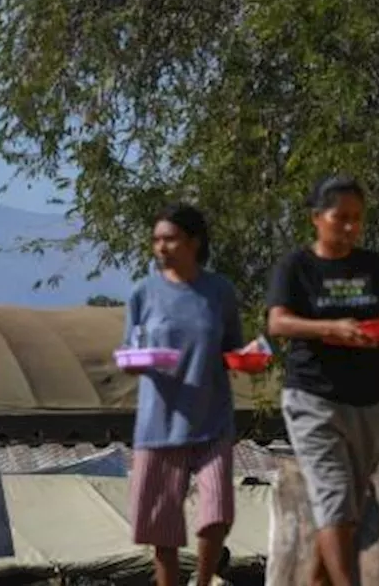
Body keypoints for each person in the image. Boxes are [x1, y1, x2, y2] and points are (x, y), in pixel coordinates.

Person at [266, 175, 379, 586]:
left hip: (366, 400)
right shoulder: (296, 267)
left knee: (350, 505)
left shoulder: (374, 268)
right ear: (317, 218)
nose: (350, 227)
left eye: (357, 219)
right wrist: (329, 328)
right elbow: (277, 322)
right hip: (313, 397)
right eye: (340, 218)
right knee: (333, 497)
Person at [125, 203, 244, 586]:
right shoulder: (143, 294)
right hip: (159, 421)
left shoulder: (219, 292)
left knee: (217, 510)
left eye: (170, 239)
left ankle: (205, 580)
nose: (161, 247)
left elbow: (233, 352)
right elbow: (129, 352)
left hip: (212, 418)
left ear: (194, 242)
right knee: (161, 526)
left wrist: (249, 360)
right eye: (156, 239)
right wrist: (145, 359)